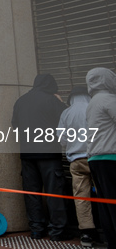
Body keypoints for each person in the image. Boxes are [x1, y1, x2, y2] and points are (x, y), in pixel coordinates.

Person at [11, 73, 69, 241]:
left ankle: (36, 230)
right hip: (49, 153)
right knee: (54, 192)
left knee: (31, 193)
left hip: (27, 154)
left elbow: (15, 125)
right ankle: (58, 231)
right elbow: (66, 119)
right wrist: (61, 103)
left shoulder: (21, 101)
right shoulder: (51, 100)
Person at [57, 86, 97, 246]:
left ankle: (87, 232)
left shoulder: (66, 113)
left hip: (76, 161)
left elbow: (62, 139)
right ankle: (108, 227)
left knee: (81, 197)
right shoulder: (93, 109)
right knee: (105, 194)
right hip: (97, 158)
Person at [85, 67, 116, 249]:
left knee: (106, 205)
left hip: (95, 158)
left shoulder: (93, 102)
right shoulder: (109, 100)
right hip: (111, 157)